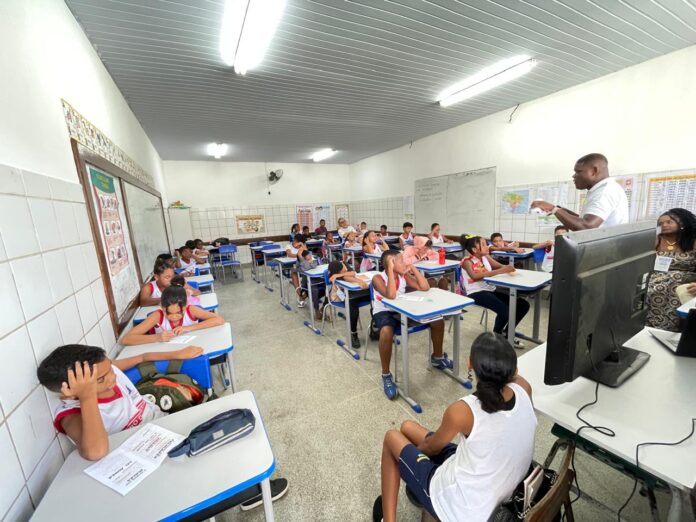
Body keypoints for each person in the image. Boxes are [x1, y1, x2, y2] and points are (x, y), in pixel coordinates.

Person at [37, 344, 290, 510]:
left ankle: (245, 486)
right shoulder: (71, 413)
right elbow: (95, 451)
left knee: (228, 422)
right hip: (148, 460)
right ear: (69, 391)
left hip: (165, 425)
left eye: (110, 369)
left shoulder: (108, 371)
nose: (113, 376)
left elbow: (143, 358)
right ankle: (246, 492)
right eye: (102, 379)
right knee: (207, 452)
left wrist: (178, 353)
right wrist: (87, 396)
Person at [375, 332, 537, 522]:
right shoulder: (525, 388)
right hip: (498, 489)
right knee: (407, 426)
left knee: (392, 437)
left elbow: (432, 447)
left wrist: (414, 457)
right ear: (514, 370)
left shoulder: (464, 411)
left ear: (470, 364)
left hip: (462, 508)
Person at [372, 250, 453, 400]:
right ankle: (386, 374)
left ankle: (438, 357)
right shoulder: (378, 278)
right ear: (390, 264)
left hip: (403, 309)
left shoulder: (403, 276)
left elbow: (425, 287)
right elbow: (391, 295)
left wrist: (413, 268)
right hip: (384, 312)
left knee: (437, 320)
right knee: (386, 332)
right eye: (400, 261)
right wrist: (391, 269)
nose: (404, 263)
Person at [460, 236, 529, 347]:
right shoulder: (467, 261)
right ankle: (496, 339)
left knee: (523, 305)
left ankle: (508, 332)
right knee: (505, 311)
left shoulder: (485, 257)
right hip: (475, 293)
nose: (487, 246)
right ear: (474, 249)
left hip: (489, 289)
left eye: (486, 243)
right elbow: (475, 276)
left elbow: (499, 266)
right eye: (483, 244)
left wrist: (509, 269)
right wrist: (501, 270)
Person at [530, 153, 629, 230]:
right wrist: (561, 211)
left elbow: (587, 227)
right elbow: (586, 221)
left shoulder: (604, 192)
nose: (574, 176)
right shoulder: (605, 188)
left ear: (594, 171)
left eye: (578, 171)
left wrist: (552, 208)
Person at [122, 286, 224, 345]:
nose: (174, 317)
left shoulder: (191, 310)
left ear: (185, 306)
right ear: (162, 307)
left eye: (179, 313)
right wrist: (157, 337)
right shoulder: (157, 316)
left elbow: (219, 320)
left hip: (191, 348)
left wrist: (188, 328)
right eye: (169, 313)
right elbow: (126, 339)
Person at [646, 208, 696, 332]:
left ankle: (666, 329)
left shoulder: (692, 241)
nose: (664, 225)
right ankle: (647, 328)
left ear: (682, 222)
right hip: (654, 277)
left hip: (683, 280)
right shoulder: (656, 240)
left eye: (669, 222)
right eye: (661, 223)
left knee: (667, 285)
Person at [328, 260, 371, 349]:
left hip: (353, 293)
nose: (345, 267)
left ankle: (375, 327)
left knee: (374, 298)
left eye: (344, 265)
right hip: (342, 297)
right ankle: (353, 333)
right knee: (352, 303)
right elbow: (347, 277)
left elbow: (353, 273)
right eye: (343, 268)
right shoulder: (334, 276)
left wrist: (340, 274)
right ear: (339, 271)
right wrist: (358, 281)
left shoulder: (342, 266)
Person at [298, 249, 325, 321]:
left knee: (329, 289)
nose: (310, 256)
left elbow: (314, 266)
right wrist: (309, 262)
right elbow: (307, 268)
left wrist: (311, 262)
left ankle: (323, 308)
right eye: (308, 255)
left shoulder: (313, 259)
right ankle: (317, 310)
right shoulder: (302, 262)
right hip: (308, 281)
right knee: (315, 291)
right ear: (303, 257)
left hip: (317, 278)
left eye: (310, 255)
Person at [286, 233, 308, 306]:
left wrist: (302, 246)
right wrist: (300, 255)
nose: (295, 242)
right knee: (294, 273)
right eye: (295, 241)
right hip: (293, 265)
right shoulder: (288, 246)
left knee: (308, 273)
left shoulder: (302, 246)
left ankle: (307, 292)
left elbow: (307, 254)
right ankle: (300, 295)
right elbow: (289, 254)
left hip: (302, 265)